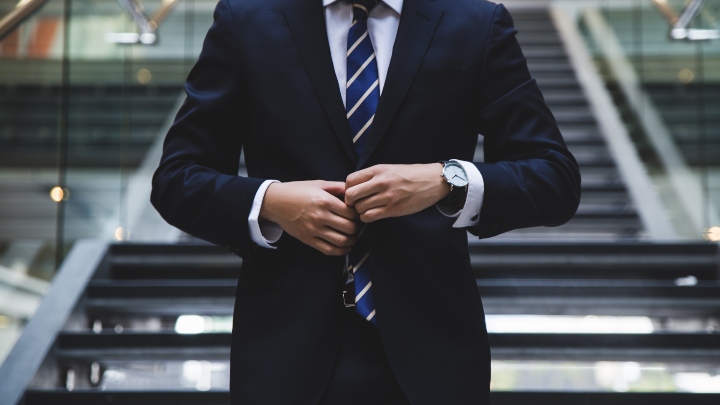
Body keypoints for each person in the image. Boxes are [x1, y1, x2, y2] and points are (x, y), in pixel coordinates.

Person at [151, 0, 581, 403]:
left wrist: (446, 179)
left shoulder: (475, 23)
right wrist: (271, 201)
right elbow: (176, 179)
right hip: (283, 350)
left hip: (434, 354)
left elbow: (554, 177)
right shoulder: (245, 18)